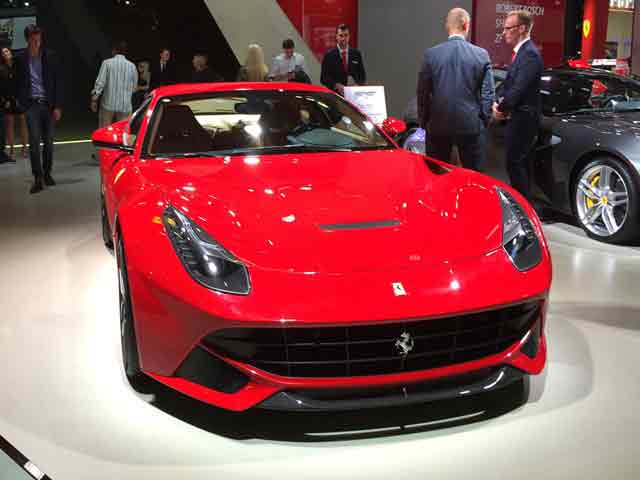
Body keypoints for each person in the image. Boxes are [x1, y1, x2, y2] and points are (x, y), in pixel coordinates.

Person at [416, 8, 494, 171]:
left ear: (447, 26)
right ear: (466, 25)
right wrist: (483, 121)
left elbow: (423, 92)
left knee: (436, 175)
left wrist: (424, 121)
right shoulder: (481, 55)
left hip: (438, 125)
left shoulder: (431, 54)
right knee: (474, 177)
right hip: (471, 125)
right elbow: (488, 94)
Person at [493, 10, 543, 205]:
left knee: (516, 164)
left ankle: (523, 210)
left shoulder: (529, 54)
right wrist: (499, 102)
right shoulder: (522, 53)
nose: (504, 32)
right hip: (518, 117)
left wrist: (501, 109)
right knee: (517, 165)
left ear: (521, 29)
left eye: (508, 28)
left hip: (523, 120)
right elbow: (509, 86)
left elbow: (518, 89)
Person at [14, 24, 63, 194]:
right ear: (27, 39)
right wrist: (21, 102)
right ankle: (38, 178)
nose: (37, 42)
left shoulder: (50, 56)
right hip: (31, 105)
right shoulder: (20, 58)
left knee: (48, 142)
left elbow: (58, 81)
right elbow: (16, 82)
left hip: (48, 105)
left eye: (39, 39)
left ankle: (47, 173)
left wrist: (58, 106)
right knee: (34, 143)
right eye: (33, 39)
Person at [90, 40, 138, 128]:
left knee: (104, 131)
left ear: (114, 50)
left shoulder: (107, 63)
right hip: (125, 106)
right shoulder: (132, 66)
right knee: (122, 132)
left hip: (108, 104)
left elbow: (100, 83)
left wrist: (94, 99)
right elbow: (134, 88)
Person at [320, 24, 366, 95]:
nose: (343, 38)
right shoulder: (329, 56)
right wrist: (336, 85)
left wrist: (357, 85)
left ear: (349, 36)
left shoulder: (356, 54)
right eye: (341, 35)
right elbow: (323, 78)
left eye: (346, 35)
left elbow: (362, 76)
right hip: (336, 95)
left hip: (353, 94)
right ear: (336, 37)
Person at [1, 47, 28, 160]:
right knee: (9, 123)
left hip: (19, 98)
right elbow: (1, 86)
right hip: (8, 99)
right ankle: (12, 149)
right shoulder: (1, 68)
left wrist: (21, 98)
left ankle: (24, 148)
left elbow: (23, 82)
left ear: (10, 52)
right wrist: (4, 100)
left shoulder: (18, 65)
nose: (5, 53)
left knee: (23, 121)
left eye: (7, 51)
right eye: (3, 53)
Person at [0, 58, 12, 164]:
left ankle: (2, 153)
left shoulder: (6, 68)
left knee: (2, 128)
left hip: (4, 102)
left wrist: (7, 99)